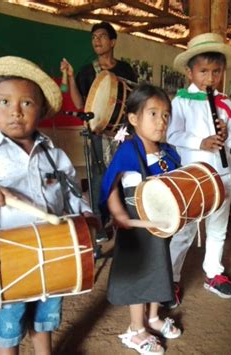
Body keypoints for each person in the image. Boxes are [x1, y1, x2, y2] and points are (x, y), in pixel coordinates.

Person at [0, 56, 95, 354]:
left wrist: (85, 214)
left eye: (26, 103)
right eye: (4, 102)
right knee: (9, 324)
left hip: (54, 250)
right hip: (9, 257)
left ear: (41, 109)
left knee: (46, 316)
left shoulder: (56, 157)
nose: (15, 112)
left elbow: (73, 193)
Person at [165, 33, 231, 308]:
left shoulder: (225, 103)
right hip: (193, 178)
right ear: (190, 71)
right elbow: (171, 134)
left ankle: (213, 273)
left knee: (218, 228)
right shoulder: (182, 101)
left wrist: (228, 134)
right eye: (203, 72)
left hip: (223, 175)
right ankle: (171, 280)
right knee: (184, 231)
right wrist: (200, 142)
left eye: (216, 72)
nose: (210, 78)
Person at [100, 84, 182, 354]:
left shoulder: (168, 152)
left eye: (166, 115)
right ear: (134, 119)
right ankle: (136, 328)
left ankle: (154, 317)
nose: (161, 122)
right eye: (154, 114)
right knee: (138, 274)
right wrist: (119, 213)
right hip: (136, 223)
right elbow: (111, 184)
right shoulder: (128, 151)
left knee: (159, 269)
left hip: (159, 223)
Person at [60, 21, 137, 244]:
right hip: (98, 132)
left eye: (102, 36)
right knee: (98, 176)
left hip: (122, 130)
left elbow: (133, 98)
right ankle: (99, 224)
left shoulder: (124, 69)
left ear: (112, 41)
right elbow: (79, 104)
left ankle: (123, 217)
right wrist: (72, 77)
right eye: (94, 37)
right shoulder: (87, 71)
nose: (97, 40)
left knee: (124, 170)